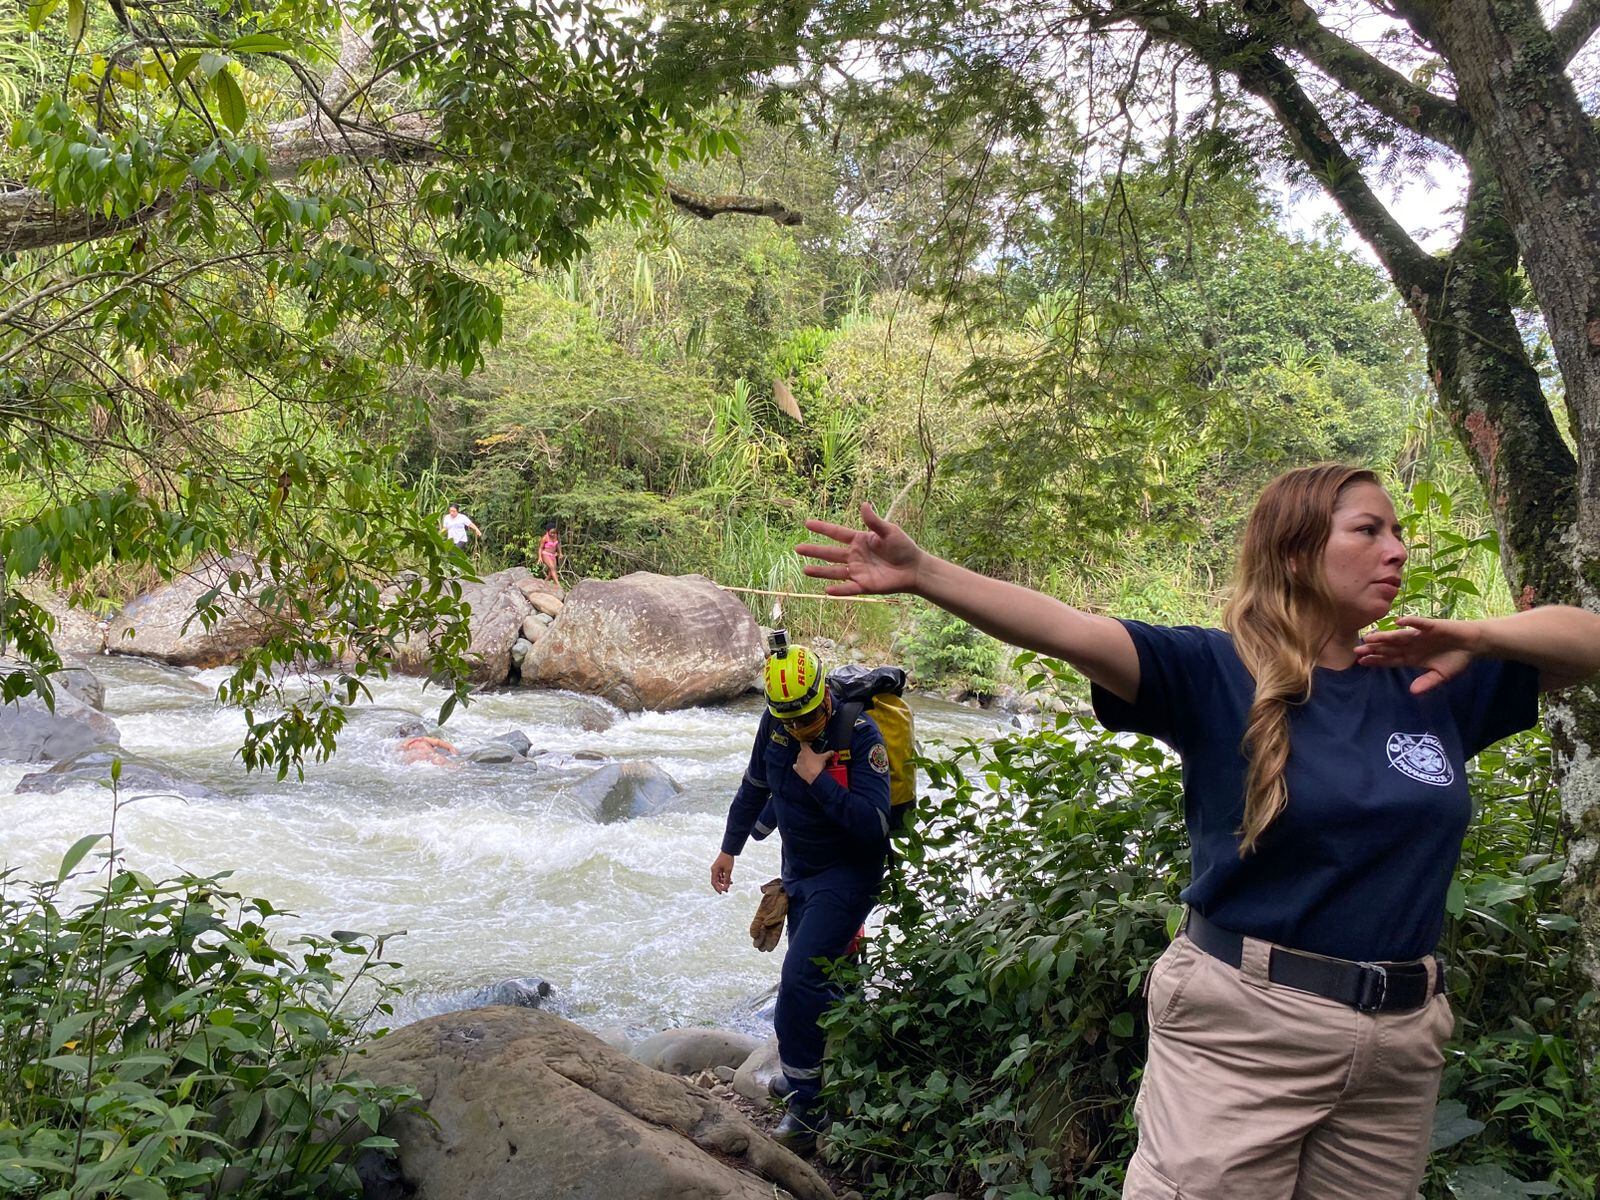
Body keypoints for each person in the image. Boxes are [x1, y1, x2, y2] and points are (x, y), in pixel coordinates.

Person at [796, 464, 1600, 1200]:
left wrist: (1483, 634)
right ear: (1294, 553)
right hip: (1247, 1026)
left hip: (1400, 1043)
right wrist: (924, 573)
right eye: (1368, 530)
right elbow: (1068, 629)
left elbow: (1590, 641)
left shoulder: (1432, 678)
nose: (1396, 549)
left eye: (1398, 532)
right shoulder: (1217, 673)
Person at [711, 637, 893, 1154]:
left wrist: (819, 780)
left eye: (807, 719)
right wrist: (729, 850)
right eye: (789, 722)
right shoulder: (776, 723)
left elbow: (873, 826)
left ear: (825, 699)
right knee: (819, 980)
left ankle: (808, 1109)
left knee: (798, 980)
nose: (798, 730)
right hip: (799, 874)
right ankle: (822, 1067)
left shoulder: (860, 736)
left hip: (849, 876)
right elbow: (752, 788)